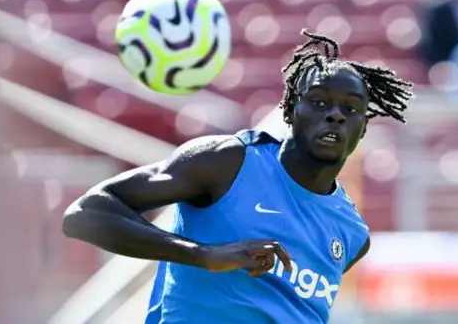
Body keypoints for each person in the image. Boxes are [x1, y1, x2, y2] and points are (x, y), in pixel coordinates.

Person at [62, 29, 414, 323]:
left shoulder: (352, 234)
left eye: (350, 109)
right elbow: (85, 214)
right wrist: (203, 255)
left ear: (363, 128)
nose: (335, 116)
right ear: (290, 111)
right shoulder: (226, 162)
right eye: (319, 102)